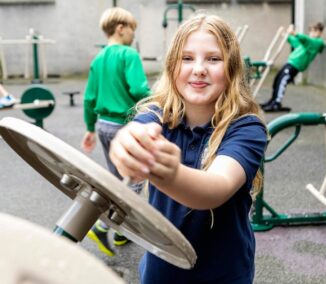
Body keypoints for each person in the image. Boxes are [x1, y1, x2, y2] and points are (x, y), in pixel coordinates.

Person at [109, 14, 268, 284]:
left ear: (232, 68)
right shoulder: (155, 116)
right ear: (172, 66)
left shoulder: (246, 128)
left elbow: (216, 187)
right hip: (161, 272)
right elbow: (138, 132)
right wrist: (128, 144)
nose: (199, 69)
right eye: (187, 58)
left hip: (225, 275)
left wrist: (170, 174)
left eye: (214, 59)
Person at [81, 7, 151, 257]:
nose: (133, 34)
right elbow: (139, 89)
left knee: (117, 179)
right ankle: (102, 226)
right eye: (132, 29)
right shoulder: (128, 54)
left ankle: (122, 232)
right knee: (135, 179)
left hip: (104, 126)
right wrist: (159, 100)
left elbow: (89, 99)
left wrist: (90, 128)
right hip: (126, 126)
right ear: (121, 28)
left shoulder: (98, 60)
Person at [260, 22, 325, 112]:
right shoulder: (306, 43)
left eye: (315, 31)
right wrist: (284, 35)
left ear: (320, 32)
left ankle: (276, 103)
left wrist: (294, 33)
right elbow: (295, 41)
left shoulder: (317, 42)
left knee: (283, 81)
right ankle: (273, 100)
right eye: (311, 31)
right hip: (290, 63)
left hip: (295, 65)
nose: (312, 33)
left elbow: (305, 40)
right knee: (277, 79)